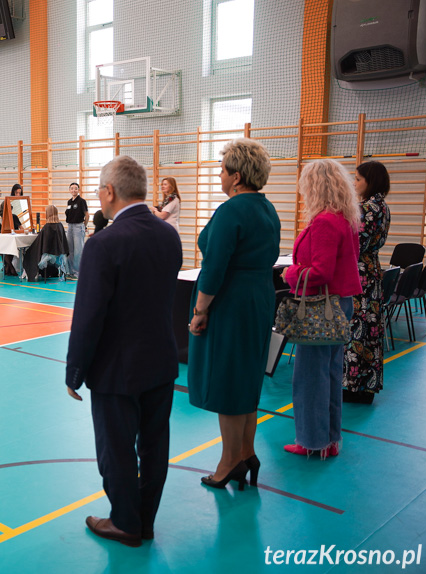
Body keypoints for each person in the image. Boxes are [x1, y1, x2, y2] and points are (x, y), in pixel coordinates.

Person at [66, 156, 182, 547]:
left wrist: (75, 370)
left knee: (115, 450)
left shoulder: (103, 243)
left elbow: (89, 316)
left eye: (99, 189)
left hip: (117, 368)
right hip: (160, 360)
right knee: (154, 446)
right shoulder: (170, 237)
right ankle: (144, 520)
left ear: (110, 191)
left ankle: (125, 522)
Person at [187, 138, 281, 490]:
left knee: (227, 381)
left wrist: (200, 310)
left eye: (223, 169)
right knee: (247, 378)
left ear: (237, 176)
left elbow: (214, 267)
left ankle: (228, 462)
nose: (220, 175)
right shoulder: (268, 208)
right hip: (259, 298)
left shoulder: (231, 210)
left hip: (232, 302)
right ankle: (245, 452)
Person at [283, 159, 361, 457]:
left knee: (310, 378)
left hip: (322, 306)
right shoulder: (345, 218)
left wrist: (289, 274)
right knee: (328, 374)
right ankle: (328, 440)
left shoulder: (325, 222)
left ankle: (312, 441)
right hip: (340, 303)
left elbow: (320, 272)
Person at [343, 161, 391, 404]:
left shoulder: (366, 208)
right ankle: (365, 386)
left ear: (370, 182)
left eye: (358, 179)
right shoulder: (383, 207)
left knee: (356, 331)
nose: (354, 183)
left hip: (359, 275)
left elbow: (354, 245)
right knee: (370, 332)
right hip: (372, 272)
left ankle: (353, 386)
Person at [22, 204, 69, 281]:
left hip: (47, 253)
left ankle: (29, 272)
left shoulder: (47, 227)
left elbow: (40, 243)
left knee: (29, 252)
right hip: (58, 253)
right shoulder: (60, 225)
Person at [65, 182, 88, 279]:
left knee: (78, 251)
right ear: (69, 190)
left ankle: (78, 273)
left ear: (78, 190)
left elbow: (87, 215)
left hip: (78, 227)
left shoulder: (81, 201)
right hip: (70, 227)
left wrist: (84, 226)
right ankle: (70, 271)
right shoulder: (69, 202)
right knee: (70, 250)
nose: (73, 190)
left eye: (75, 188)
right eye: (72, 188)